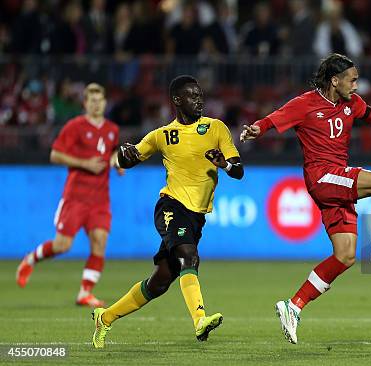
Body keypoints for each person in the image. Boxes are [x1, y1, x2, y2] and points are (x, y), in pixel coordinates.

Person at [241, 53, 371, 344]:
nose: (356, 86)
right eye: (352, 80)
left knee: (345, 255)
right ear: (335, 80)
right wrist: (257, 129)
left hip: (337, 180)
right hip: (322, 177)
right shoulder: (304, 104)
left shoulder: (352, 104)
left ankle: (293, 306)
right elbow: (272, 119)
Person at [91, 75, 243, 348]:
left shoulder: (216, 128)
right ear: (176, 100)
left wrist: (225, 164)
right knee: (189, 257)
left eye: (200, 95)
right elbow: (130, 157)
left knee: (160, 282)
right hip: (172, 206)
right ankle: (200, 320)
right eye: (192, 95)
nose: (199, 99)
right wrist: (123, 154)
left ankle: (105, 317)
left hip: (196, 216)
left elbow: (238, 170)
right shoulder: (162, 135)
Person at [16, 83, 122, 307]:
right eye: (91, 100)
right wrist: (84, 163)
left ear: (104, 102)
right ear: (85, 103)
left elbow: (111, 152)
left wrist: (118, 163)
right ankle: (30, 259)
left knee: (100, 242)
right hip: (76, 196)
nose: (96, 104)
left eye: (99, 100)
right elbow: (55, 155)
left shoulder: (112, 129)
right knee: (63, 245)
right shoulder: (75, 126)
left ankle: (85, 293)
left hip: (100, 198)